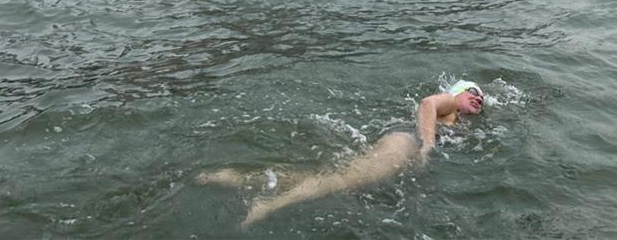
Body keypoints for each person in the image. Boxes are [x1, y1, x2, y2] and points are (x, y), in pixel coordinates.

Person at [197, 80, 485, 227]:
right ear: (458, 91)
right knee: (345, 180)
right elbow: (426, 104)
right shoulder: (449, 103)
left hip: (405, 142)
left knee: (336, 176)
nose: (478, 98)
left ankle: (236, 178)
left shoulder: (459, 122)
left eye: (482, 98)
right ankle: (268, 204)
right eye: (472, 91)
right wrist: (427, 146)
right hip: (405, 141)